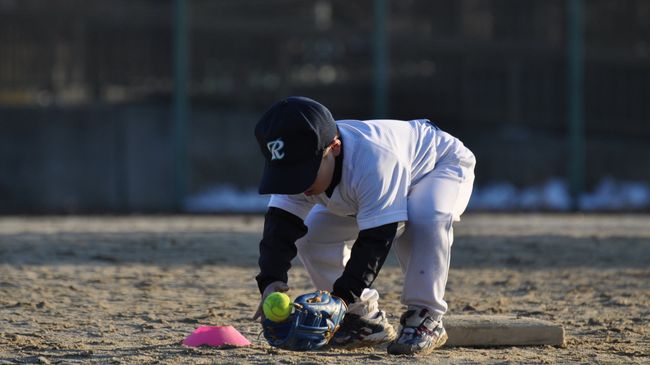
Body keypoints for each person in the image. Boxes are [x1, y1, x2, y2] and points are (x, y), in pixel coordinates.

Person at [252, 96, 475, 355]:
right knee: (312, 236)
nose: (297, 184)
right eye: (287, 174)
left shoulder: (373, 160)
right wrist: (270, 280)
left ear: (333, 147)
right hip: (373, 187)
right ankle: (364, 319)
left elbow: (377, 239)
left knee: (424, 215)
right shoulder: (303, 155)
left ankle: (426, 315)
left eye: (303, 171)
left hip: (439, 165)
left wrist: (342, 297)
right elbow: (280, 226)